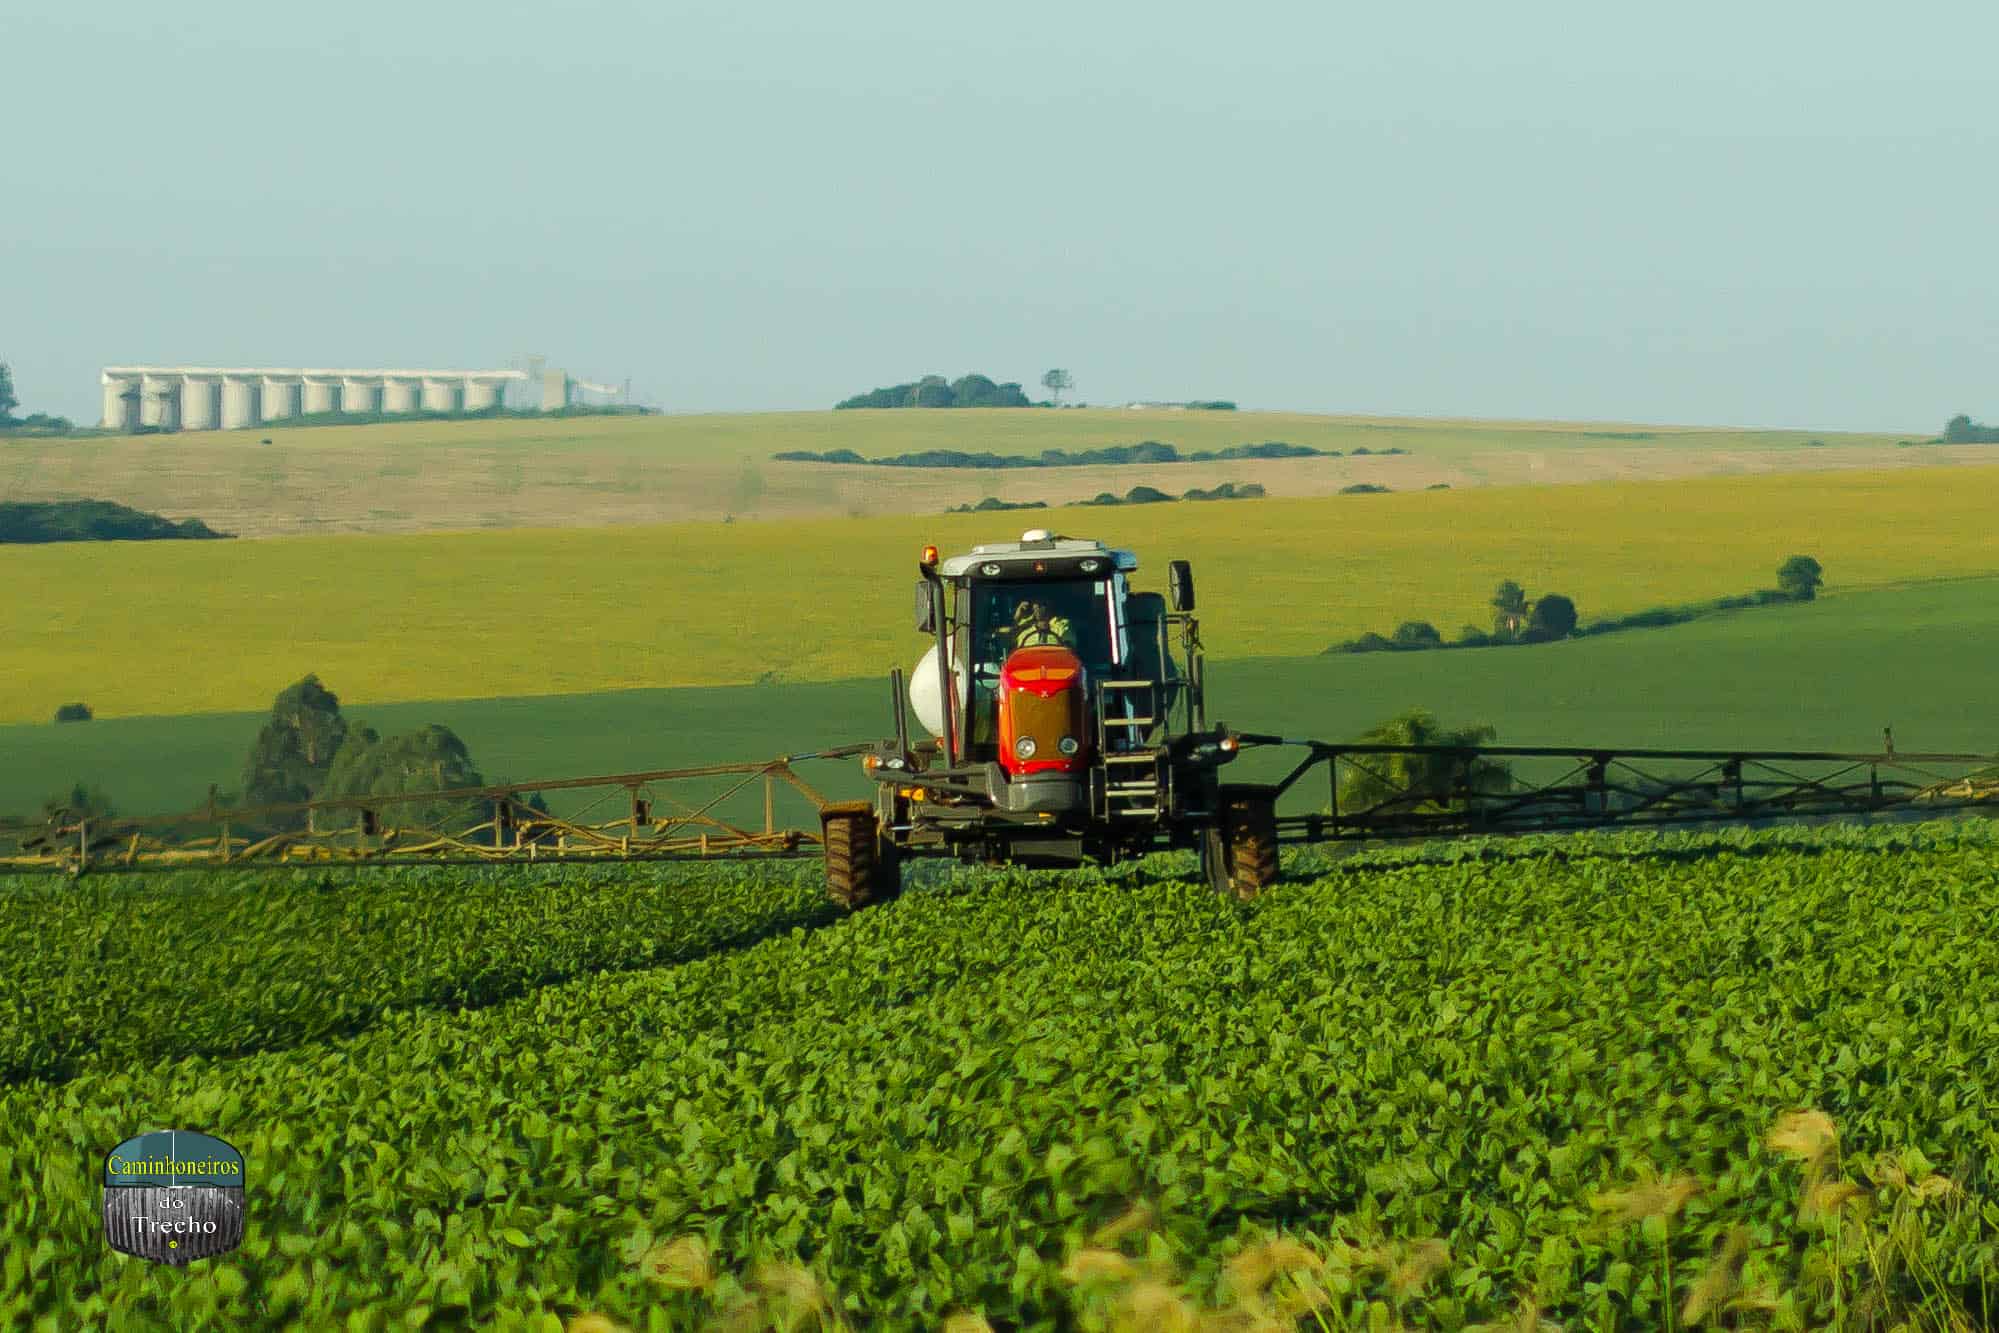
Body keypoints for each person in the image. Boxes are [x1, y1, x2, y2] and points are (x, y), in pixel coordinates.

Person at [1011, 598, 1077, 650]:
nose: (1037, 607)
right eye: (1035, 604)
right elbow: (1012, 645)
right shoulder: (1024, 628)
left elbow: (1069, 650)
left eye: (1042, 604)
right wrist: (1017, 618)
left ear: (1050, 605)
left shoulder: (1062, 624)